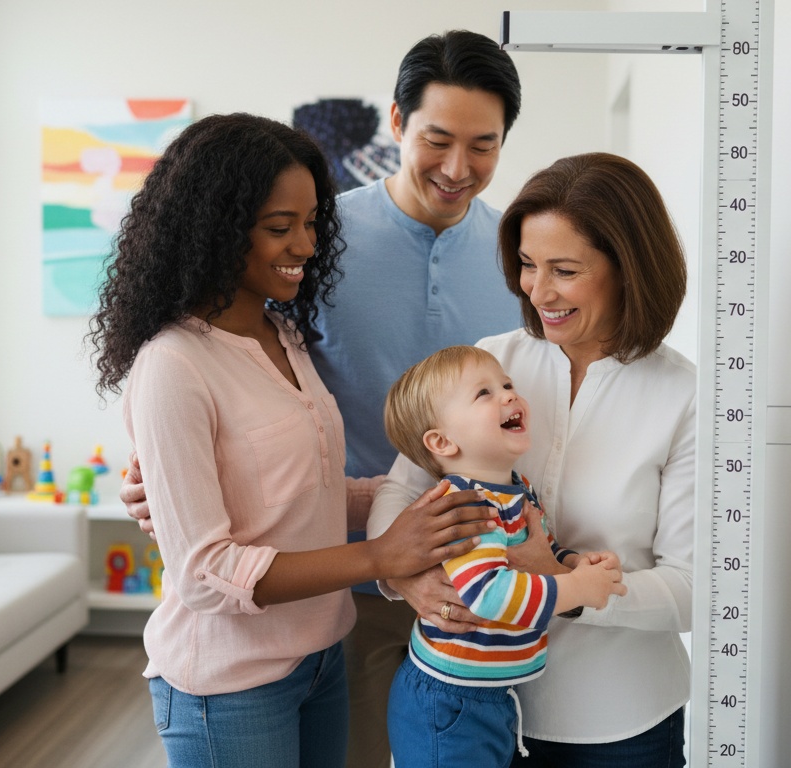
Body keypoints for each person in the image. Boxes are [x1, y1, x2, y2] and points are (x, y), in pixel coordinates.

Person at [120, 30, 527, 768]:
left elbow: (288, 452)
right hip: (344, 600)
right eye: (438, 138)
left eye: (484, 146)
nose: (458, 168)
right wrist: (167, 484)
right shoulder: (310, 260)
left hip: (470, 587)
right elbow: (206, 436)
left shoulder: (512, 257)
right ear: (397, 123)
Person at [369, 153, 694, 767]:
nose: (536, 290)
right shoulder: (492, 363)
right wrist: (408, 578)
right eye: (525, 264)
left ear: (629, 270)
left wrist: (568, 588)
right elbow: (402, 488)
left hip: (619, 725)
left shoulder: (686, 396)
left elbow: (691, 588)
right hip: (470, 711)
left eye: (564, 270)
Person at [382, 345, 627, 767]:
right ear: (442, 441)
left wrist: (571, 563)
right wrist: (577, 588)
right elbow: (490, 595)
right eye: (484, 393)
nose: (509, 396)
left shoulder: (515, 489)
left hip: (489, 694)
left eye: (507, 385)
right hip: (450, 704)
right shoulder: (465, 505)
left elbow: (536, 551)